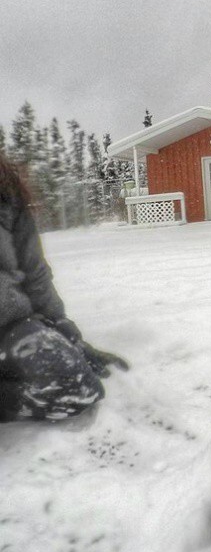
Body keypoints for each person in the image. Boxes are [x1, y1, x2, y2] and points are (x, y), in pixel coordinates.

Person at [0, 151, 127, 422]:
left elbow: (34, 272)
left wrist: (66, 334)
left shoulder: (6, 192)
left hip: (11, 328)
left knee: (77, 387)